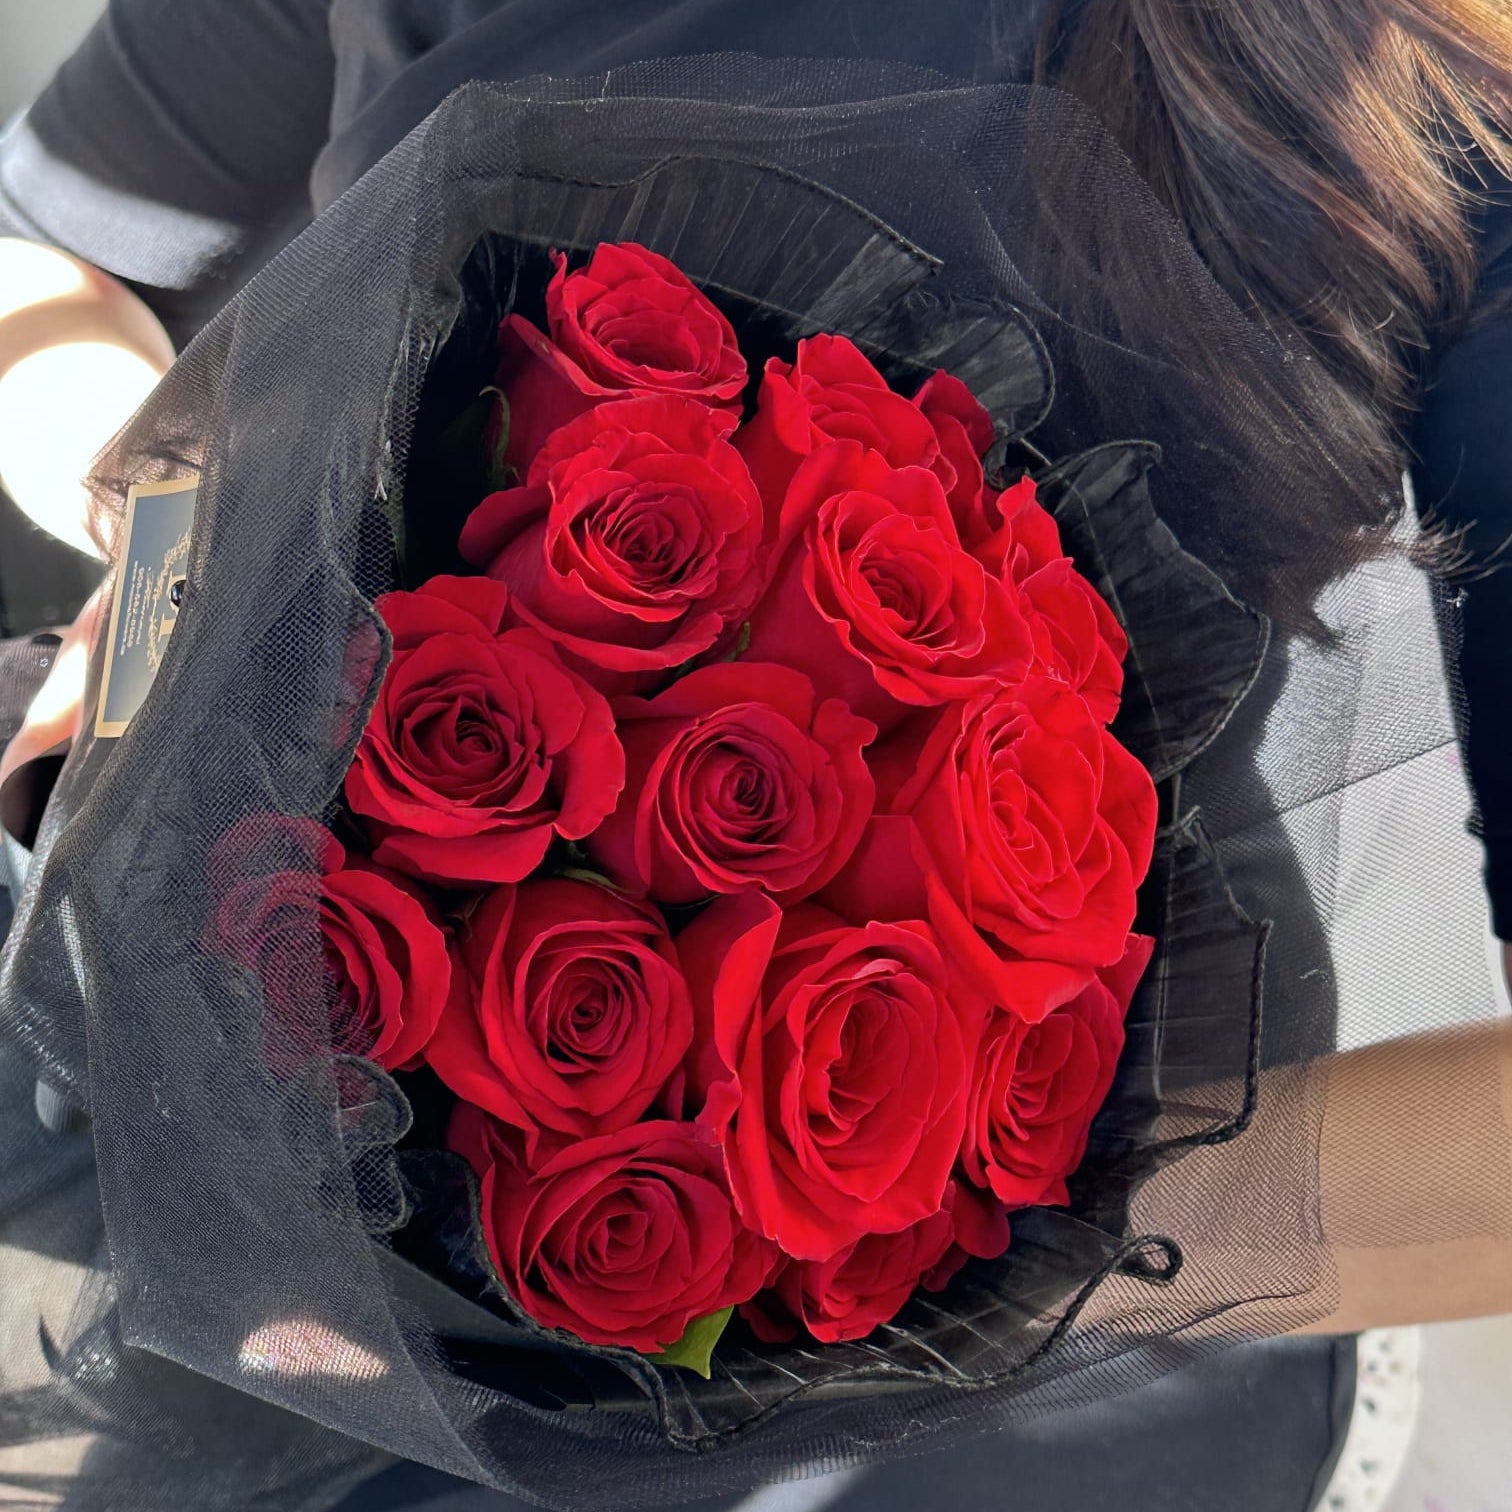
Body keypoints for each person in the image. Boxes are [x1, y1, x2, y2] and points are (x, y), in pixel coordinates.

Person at [0, 4, 1509, 1511]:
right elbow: (50, 257)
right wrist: (176, 557)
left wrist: (995, 1227)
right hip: (254, 1084)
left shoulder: (1422, 72)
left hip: (1043, 1276)